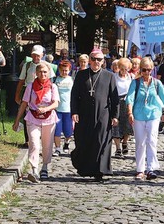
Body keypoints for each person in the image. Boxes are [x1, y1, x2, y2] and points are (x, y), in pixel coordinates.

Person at [70, 48, 120, 181]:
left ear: (103, 61)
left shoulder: (109, 76)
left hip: (103, 114)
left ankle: (100, 170)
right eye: (93, 59)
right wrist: (74, 111)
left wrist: (115, 115)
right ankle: (85, 168)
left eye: (99, 59)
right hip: (84, 113)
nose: (96, 62)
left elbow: (114, 98)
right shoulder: (81, 75)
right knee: (83, 140)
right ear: (89, 60)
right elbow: (74, 95)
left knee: (100, 141)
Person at [126, 57, 164, 181]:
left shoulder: (156, 83)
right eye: (144, 70)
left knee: (152, 140)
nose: (146, 73)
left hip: (154, 115)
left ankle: (150, 168)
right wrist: (129, 113)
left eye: (149, 70)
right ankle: (140, 169)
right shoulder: (136, 83)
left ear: (152, 70)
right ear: (140, 70)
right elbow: (130, 99)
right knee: (140, 142)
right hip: (139, 115)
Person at [12, 62, 59, 182]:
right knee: (33, 142)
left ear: (49, 73)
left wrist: (46, 109)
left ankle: (44, 167)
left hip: (49, 119)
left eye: (45, 72)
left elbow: (56, 103)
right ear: (36, 73)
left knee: (47, 145)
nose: (43, 74)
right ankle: (34, 170)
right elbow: (24, 104)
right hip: (33, 118)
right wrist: (17, 121)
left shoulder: (53, 87)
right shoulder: (30, 87)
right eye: (40, 72)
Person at [14, 45, 56, 147]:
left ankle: (41, 138)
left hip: (43, 92)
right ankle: (28, 139)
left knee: (42, 115)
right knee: (27, 115)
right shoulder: (27, 65)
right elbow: (21, 80)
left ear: (42, 55)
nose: (36, 57)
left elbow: (50, 82)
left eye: (38, 55)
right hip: (29, 91)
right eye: (34, 55)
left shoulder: (46, 66)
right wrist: (17, 95)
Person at [112, 58, 133, 158]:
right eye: (122, 69)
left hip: (127, 102)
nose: (124, 71)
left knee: (128, 124)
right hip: (116, 102)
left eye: (126, 69)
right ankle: (118, 148)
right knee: (116, 124)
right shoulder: (114, 77)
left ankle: (124, 142)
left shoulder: (130, 77)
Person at [53, 60, 74, 156]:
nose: (64, 72)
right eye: (62, 70)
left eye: (66, 70)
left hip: (68, 109)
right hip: (57, 109)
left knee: (68, 131)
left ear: (69, 70)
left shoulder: (71, 80)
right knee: (57, 130)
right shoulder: (56, 80)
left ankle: (67, 142)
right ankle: (57, 148)